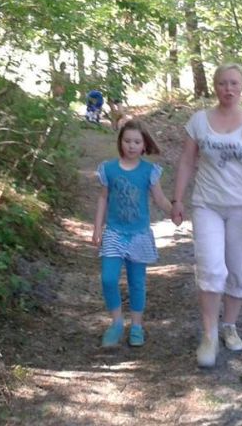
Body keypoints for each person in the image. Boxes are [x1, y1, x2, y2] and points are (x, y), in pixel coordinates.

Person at [171, 63, 242, 368]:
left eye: (233, 83)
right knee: (211, 267)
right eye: (222, 83)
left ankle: (229, 324)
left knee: (239, 268)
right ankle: (209, 335)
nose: (228, 89)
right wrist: (177, 199)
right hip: (208, 205)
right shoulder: (199, 121)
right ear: (214, 86)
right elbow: (187, 161)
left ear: (241, 86)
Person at [93, 119, 172, 347]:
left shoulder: (149, 171)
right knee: (108, 278)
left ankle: (137, 326)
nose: (131, 145)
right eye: (127, 141)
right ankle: (117, 322)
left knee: (137, 282)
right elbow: (103, 198)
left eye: (137, 142)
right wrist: (97, 227)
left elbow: (160, 199)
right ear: (120, 142)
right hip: (114, 232)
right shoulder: (109, 169)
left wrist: (174, 211)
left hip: (139, 235)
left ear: (144, 144)